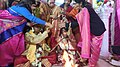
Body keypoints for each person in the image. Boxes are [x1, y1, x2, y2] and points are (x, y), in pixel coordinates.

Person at [0, 0, 53, 66]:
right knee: (11, 43)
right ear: (31, 4)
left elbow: (19, 19)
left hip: (10, 27)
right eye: (34, 7)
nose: (33, 9)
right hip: (8, 27)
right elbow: (32, 18)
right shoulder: (23, 9)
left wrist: (27, 23)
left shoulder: (18, 7)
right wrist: (47, 23)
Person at [75, 0, 106, 67]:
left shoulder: (85, 10)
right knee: (92, 48)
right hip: (95, 29)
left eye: (75, 4)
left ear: (80, 3)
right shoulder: (85, 8)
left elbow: (84, 24)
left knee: (95, 50)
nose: (74, 6)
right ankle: (91, 62)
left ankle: (92, 64)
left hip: (97, 30)